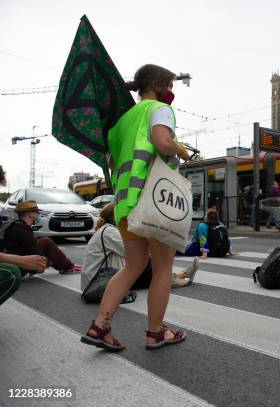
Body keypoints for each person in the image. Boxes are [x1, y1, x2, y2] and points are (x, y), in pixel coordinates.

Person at [81, 64, 191, 352]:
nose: (171, 91)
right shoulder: (160, 109)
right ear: (156, 83)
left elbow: (113, 163)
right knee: (163, 268)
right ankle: (155, 332)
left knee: (133, 266)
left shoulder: (121, 122)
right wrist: (179, 148)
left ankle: (101, 325)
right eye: (169, 84)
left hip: (125, 204)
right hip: (154, 203)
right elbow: (162, 142)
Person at [82, 203, 197, 292]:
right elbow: (136, 253)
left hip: (98, 279)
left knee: (142, 264)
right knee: (145, 263)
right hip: (97, 283)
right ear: (117, 216)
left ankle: (181, 275)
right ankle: (171, 279)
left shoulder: (108, 230)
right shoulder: (109, 232)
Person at [4, 200, 81, 275]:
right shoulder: (23, 229)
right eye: (36, 212)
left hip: (13, 263)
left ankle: (66, 265)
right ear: (30, 214)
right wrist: (48, 262)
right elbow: (33, 250)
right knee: (46, 241)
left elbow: (28, 246)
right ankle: (68, 267)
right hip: (18, 267)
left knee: (42, 241)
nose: (38, 214)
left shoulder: (16, 226)